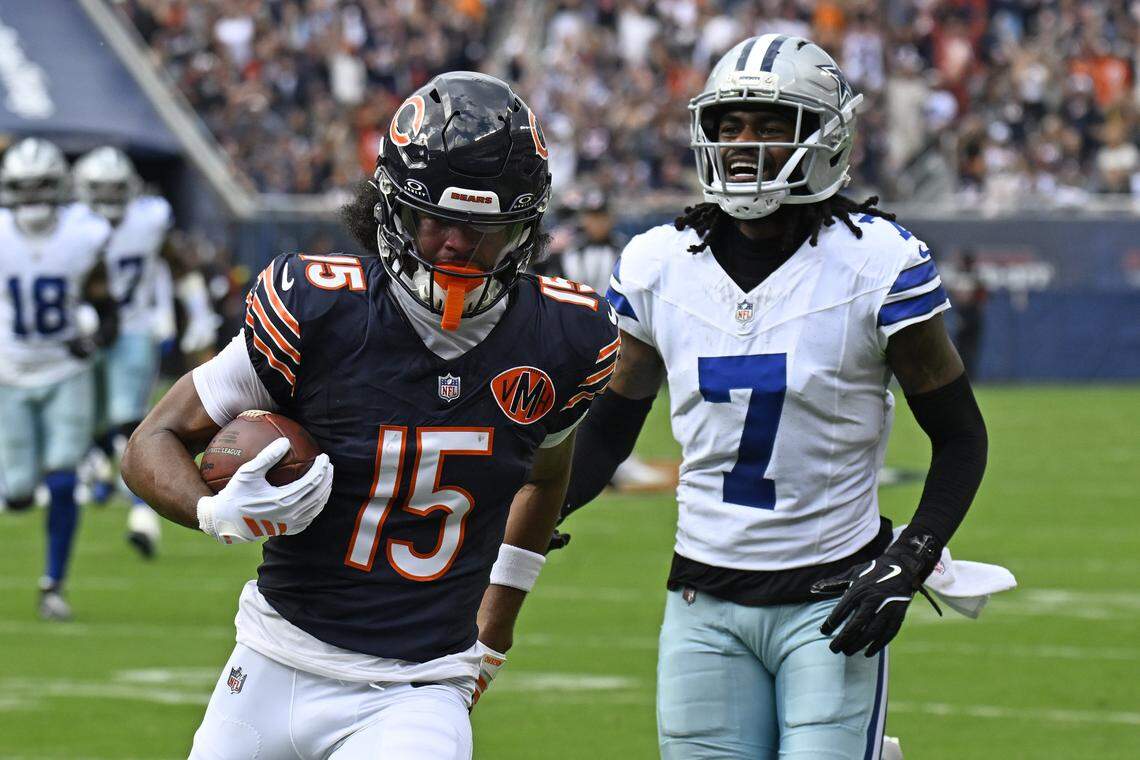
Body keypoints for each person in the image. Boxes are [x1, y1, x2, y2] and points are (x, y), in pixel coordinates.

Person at [121, 72, 618, 759]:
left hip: (419, 684)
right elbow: (154, 438)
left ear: (523, 228)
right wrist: (214, 513)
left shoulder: (564, 336)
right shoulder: (318, 310)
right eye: (437, 218)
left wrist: (494, 632)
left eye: (484, 227)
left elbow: (544, 477)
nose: (455, 245)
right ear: (392, 207)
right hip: (273, 660)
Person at [555, 36, 988, 759]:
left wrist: (909, 559)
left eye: (769, 124)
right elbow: (608, 430)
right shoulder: (659, 264)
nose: (744, 146)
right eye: (730, 127)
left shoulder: (877, 261)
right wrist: (536, 512)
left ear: (825, 137)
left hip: (832, 601)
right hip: (701, 604)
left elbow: (961, 437)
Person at [72, 146, 220, 558]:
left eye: (116, 189)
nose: (109, 199)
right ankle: (103, 475)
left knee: (127, 422)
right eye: (101, 190)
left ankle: (141, 512)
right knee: (93, 423)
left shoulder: (148, 220)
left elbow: (179, 267)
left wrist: (198, 317)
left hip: (133, 330)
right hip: (85, 331)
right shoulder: (71, 227)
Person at [0, 137, 117, 620]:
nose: (31, 201)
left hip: (66, 371)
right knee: (19, 492)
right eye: (22, 190)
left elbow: (107, 309)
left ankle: (53, 585)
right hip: (9, 371)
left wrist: (92, 341)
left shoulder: (82, 234)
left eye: (40, 188)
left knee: (64, 479)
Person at [552, 187, 671, 492]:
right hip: (574, 339)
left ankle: (613, 464)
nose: (597, 223)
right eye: (592, 216)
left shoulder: (628, 251)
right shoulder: (568, 252)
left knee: (613, 401)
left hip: (616, 340)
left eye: (601, 215)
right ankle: (567, 465)